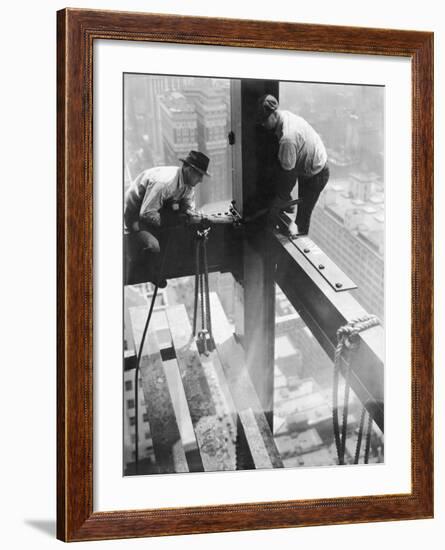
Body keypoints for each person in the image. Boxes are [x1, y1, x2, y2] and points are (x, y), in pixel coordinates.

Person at [124, 150, 211, 287]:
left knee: (177, 231)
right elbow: (146, 214)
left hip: (154, 211)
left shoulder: (187, 185)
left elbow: (188, 207)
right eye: (199, 175)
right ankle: (149, 271)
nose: (201, 180)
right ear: (188, 169)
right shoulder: (166, 182)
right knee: (155, 245)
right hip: (135, 215)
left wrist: (192, 215)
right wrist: (174, 220)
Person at [256, 94, 330, 237]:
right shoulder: (284, 116)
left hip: (316, 174)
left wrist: (279, 202)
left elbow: (288, 176)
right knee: (283, 192)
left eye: (264, 120)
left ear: (273, 114)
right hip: (306, 165)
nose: (263, 124)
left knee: (302, 218)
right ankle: (287, 204)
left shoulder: (288, 139)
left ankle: (300, 238)